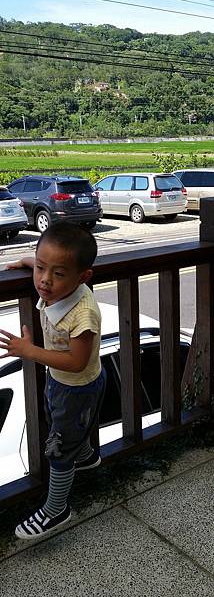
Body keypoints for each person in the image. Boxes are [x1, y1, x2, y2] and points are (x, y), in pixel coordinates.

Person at [0, 222, 106, 540]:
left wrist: (29, 351)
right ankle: (86, 456)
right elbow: (46, 263)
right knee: (67, 427)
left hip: (76, 386)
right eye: (41, 268)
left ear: (82, 277)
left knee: (58, 447)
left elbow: (76, 362)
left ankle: (56, 509)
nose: (44, 281)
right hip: (66, 383)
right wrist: (26, 262)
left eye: (58, 274)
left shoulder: (82, 313)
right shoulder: (58, 282)